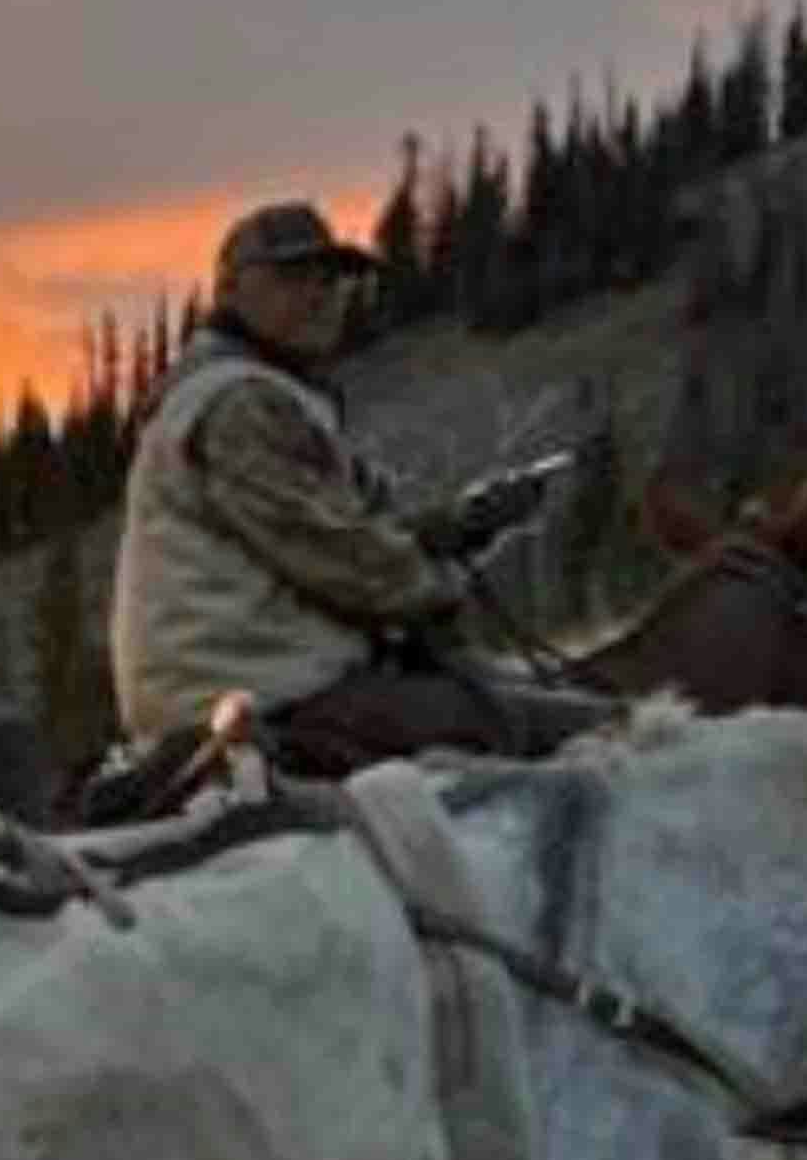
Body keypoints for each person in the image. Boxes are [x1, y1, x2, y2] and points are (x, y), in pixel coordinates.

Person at [110, 200, 615, 778]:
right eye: (293, 278)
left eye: (332, 280)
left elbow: (344, 527)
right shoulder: (240, 402)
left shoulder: (269, 392)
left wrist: (456, 524)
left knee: (533, 698)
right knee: (589, 732)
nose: (320, 296)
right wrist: (439, 584)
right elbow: (339, 557)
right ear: (231, 290)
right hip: (257, 693)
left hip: (263, 679)